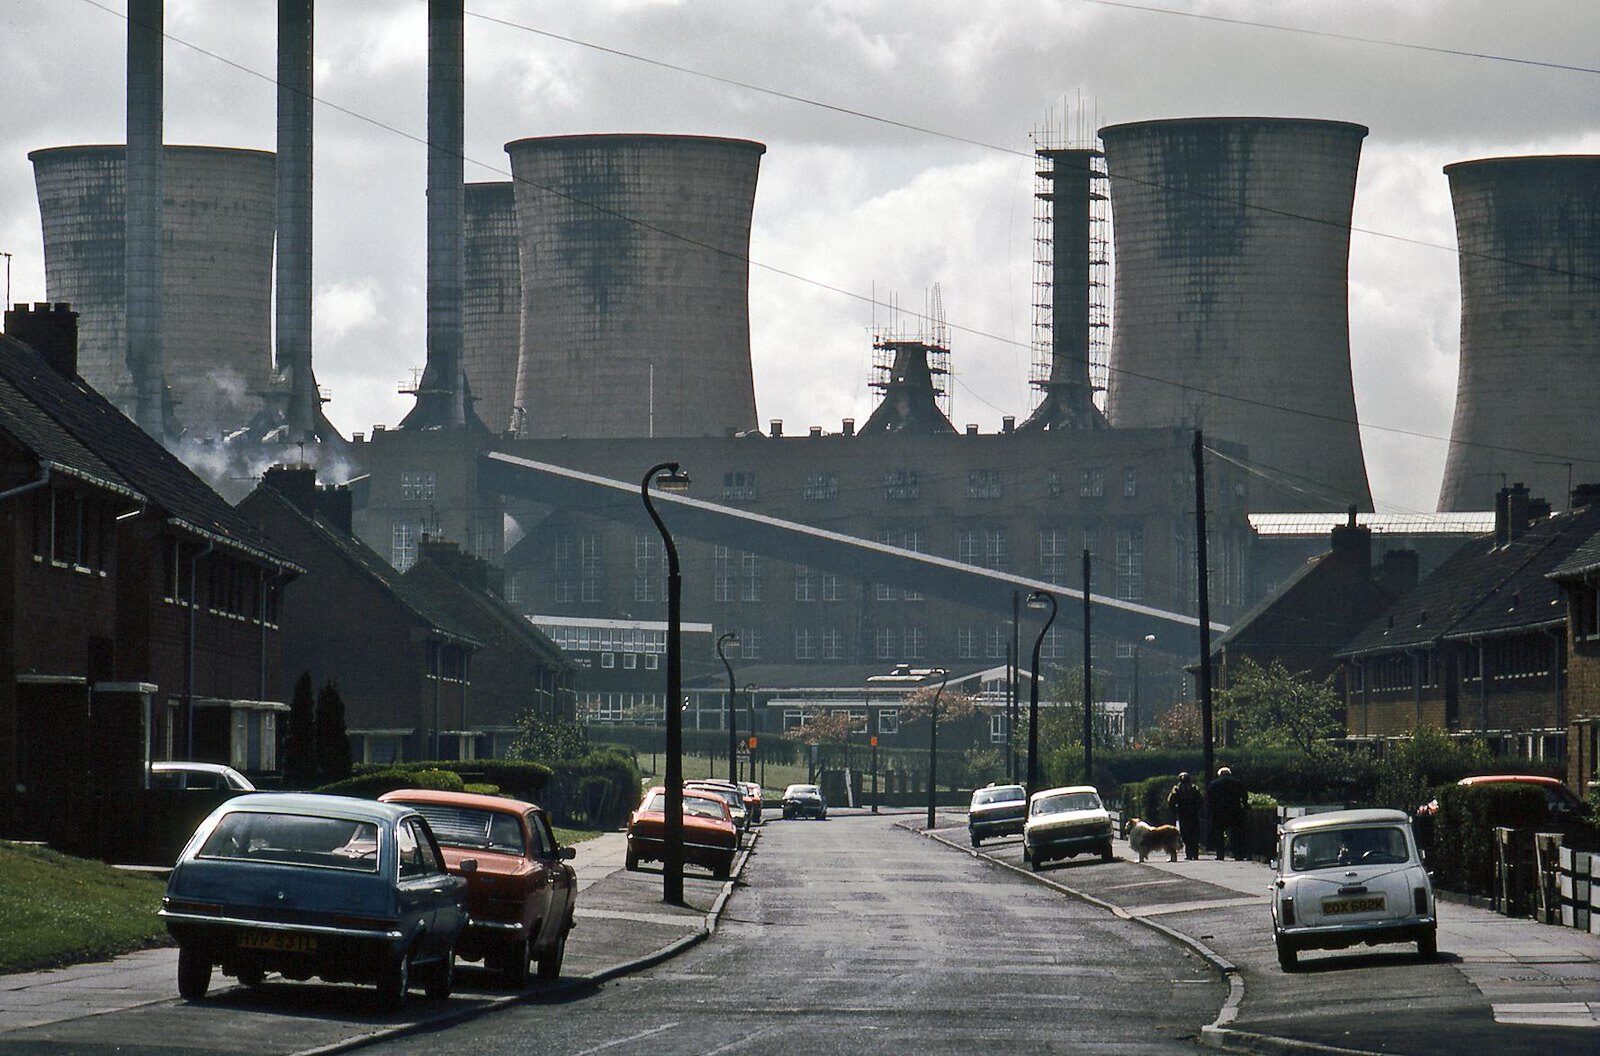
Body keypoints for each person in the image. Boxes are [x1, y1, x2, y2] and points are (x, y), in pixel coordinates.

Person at [1206, 766, 1248, 861]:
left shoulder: (1214, 784)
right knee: (1235, 834)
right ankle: (1238, 854)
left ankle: (1220, 855)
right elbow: (1244, 795)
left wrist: (1211, 810)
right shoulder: (1237, 783)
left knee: (1219, 834)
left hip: (1219, 812)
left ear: (1219, 775)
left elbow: (1209, 798)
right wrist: (1245, 806)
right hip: (1234, 811)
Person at [1166, 772, 1204, 860]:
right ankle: (1195, 854)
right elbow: (1200, 800)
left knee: (1185, 834)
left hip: (1182, 813)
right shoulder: (1194, 788)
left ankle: (1189, 854)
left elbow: (1170, 801)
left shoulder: (1177, 789)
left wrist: (1175, 810)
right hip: (1193, 813)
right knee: (1194, 833)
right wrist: (1197, 809)